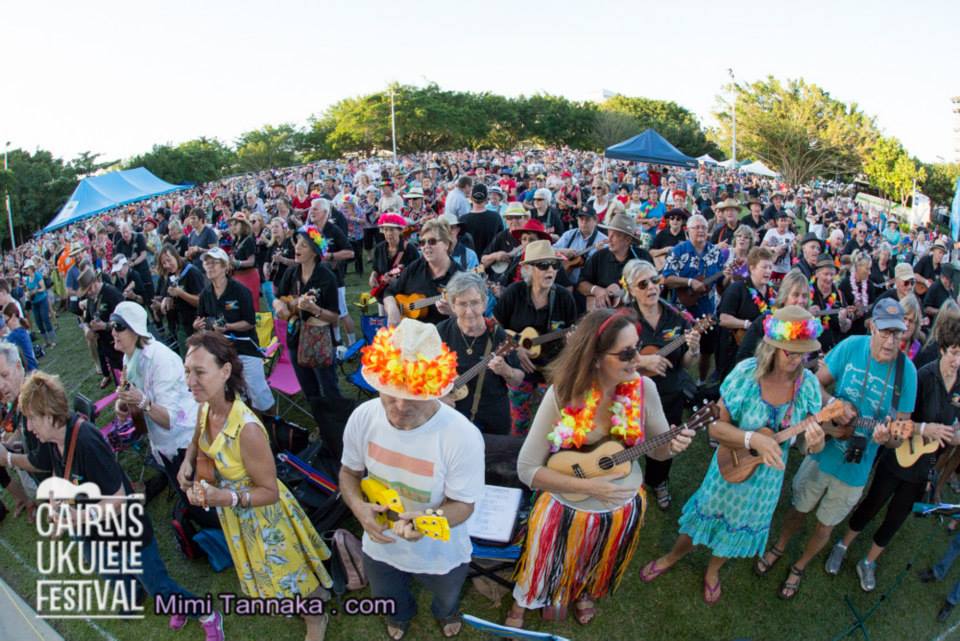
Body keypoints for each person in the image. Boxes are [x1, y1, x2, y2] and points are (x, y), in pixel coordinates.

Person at [505, 308, 694, 631]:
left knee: (592, 558)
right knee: (544, 559)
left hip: (618, 505)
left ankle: (579, 591)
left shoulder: (643, 389)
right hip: (566, 501)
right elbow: (527, 469)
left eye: (638, 347)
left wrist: (672, 445)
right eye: (626, 352)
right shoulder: (562, 393)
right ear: (594, 357)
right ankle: (523, 604)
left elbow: (660, 453)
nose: (637, 359)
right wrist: (591, 488)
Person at [3, 370, 224, 638]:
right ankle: (167, 603)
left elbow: (119, 498)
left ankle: (206, 613)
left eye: (31, 420)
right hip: (103, 531)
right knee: (130, 576)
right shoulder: (52, 440)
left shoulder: (85, 441)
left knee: (159, 587)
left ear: (49, 416)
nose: (29, 427)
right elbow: (57, 473)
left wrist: (76, 518)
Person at [640, 306, 825, 604]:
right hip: (728, 469)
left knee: (735, 532)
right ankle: (673, 556)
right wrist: (753, 439)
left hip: (765, 483)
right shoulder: (747, 374)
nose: (796, 359)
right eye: (790, 351)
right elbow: (716, 430)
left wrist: (815, 442)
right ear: (773, 346)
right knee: (703, 517)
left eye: (802, 353)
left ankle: (713, 571)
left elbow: (806, 447)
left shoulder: (808, 388)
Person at [179, 332, 330, 641]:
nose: (190, 381)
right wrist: (187, 462)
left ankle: (317, 613)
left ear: (224, 372)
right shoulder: (206, 406)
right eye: (187, 371)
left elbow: (270, 491)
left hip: (261, 513)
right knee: (274, 573)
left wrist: (226, 496)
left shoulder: (246, 428)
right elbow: (197, 437)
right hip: (235, 512)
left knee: (289, 570)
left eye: (199, 372)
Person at [762, 300, 917, 600]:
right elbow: (814, 387)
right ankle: (779, 546)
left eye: (897, 334)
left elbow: (900, 436)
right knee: (798, 509)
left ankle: (800, 565)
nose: (891, 341)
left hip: (857, 467)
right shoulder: (851, 347)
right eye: (885, 332)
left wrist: (887, 439)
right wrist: (832, 404)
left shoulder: (906, 373)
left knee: (825, 525)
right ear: (872, 326)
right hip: (823, 448)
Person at [341, 319, 485, 640]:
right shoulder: (363, 417)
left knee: (447, 595)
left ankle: (445, 611)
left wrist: (426, 521)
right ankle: (399, 616)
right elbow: (349, 473)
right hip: (379, 545)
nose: (401, 405)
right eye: (391, 394)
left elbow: (463, 504)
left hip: (442, 551)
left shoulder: (462, 436)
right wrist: (359, 510)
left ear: (435, 390)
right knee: (388, 598)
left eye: (414, 394)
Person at [841, 315, 960, 592]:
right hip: (898, 455)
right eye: (955, 352)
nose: (958, 360)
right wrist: (924, 429)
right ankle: (843, 544)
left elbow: (954, 430)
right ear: (943, 348)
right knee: (873, 502)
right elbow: (898, 420)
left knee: (897, 517)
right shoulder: (923, 376)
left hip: (923, 466)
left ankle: (868, 562)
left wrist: (952, 434)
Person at [622, 259, 702, 509]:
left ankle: (657, 481)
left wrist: (694, 349)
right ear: (631, 290)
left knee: (664, 440)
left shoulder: (676, 317)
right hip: (629, 394)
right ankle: (622, 481)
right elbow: (607, 359)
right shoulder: (623, 320)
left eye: (655, 280)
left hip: (669, 395)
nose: (651, 287)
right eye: (643, 284)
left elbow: (686, 364)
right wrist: (644, 360)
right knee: (623, 442)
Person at [494, 241, 577, 437]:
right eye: (543, 265)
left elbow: (574, 333)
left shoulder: (564, 298)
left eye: (554, 265)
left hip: (551, 372)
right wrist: (516, 348)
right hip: (518, 372)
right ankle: (515, 462)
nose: (550, 270)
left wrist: (572, 341)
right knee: (518, 425)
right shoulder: (514, 293)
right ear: (528, 269)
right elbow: (494, 328)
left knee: (551, 427)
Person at [273, 224, 345, 449]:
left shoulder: (326, 277)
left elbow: (335, 317)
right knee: (309, 389)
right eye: (297, 243)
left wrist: (315, 310)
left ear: (314, 251)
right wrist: (279, 306)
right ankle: (322, 426)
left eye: (303, 245)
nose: (297, 248)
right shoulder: (291, 272)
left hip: (320, 340)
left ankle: (340, 428)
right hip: (296, 339)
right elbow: (277, 297)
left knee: (329, 386)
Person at [437, 271, 523, 434]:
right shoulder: (441, 332)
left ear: (484, 303)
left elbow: (518, 380)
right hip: (450, 418)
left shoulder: (498, 336)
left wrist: (506, 370)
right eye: (462, 304)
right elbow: (422, 371)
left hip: (491, 420)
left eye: (475, 303)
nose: (469, 311)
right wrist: (438, 396)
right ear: (453, 306)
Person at [194, 248, 274, 414]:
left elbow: (250, 323)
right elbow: (202, 319)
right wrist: (199, 325)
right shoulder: (205, 295)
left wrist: (228, 327)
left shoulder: (240, 290)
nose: (209, 266)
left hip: (246, 349)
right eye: (206, 263)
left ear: (225, 267)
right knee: (234, 394)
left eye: (214, 263)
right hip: (221, 352)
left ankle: (274, 427)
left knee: (259, 393)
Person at [662, 213, 730, 380]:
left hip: (707, 312)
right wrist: (690, 282)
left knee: (706, 350)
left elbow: (722, 284)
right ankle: (676, 380)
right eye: (697, 227)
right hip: (681, 310)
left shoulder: (715, 252)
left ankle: (700, 381)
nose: (701, 231)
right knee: (677, 349)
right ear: (688, 231)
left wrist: (729, 276)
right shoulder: (679, 251)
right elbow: (666, 278)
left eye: (704, 228)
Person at [384, 218, 460, 327]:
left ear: (446, 244)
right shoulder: (415, 267)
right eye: (422, 242)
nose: (426, 246)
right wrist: (392, 308)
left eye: (432, 241)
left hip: (442, 339)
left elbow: (472, 316)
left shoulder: (459, 277)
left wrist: (453, 313)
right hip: (410, 335)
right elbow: (390, 291)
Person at [716, 247, 775, 380]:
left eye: (770, 267)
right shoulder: (737, 289)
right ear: (752, 268)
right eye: (764, 267)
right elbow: (723, 319)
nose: (768, 271)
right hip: (736, 348)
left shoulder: (771, 292)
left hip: (762, 348)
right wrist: (749, 324)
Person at [578, 213, 654, 310]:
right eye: (609, 233)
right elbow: (581, 283)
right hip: (604, 315)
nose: (609, 239)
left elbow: (655, 284)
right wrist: (596, 290)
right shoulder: (599, 257)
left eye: (615, 235)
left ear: (627, 239)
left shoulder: (642, 258)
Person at [308, 198, 357, 346]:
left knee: (342, 313)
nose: (311, 211)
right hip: (317, 279)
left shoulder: (333, 230)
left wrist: (331, 256)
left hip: (334, 279)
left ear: (325, 212)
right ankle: (337, 341)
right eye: (311, 208)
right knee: (329, 313)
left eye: (315, 209)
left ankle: (353, 344)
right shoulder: (311, 230)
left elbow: (350, 253)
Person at [78, 266, 124, 389]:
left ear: (95, 282)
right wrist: (87, 329)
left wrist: (105, 326)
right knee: (120, 382)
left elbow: (125, 320)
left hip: (121, 347)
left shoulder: (111, 293)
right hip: (107, 348)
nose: (88, 293)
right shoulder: (91, 298)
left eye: (89, 289)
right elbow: (87, 319)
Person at [156, 245, 204, 355]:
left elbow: (201, 302)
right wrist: (165, 300)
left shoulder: (192, 272)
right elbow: (167, 293)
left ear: (176, 256)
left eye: (169, 260)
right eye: (163, 263)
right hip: (181, 325)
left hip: (196, 325)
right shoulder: (171, 274)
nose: (167, 265)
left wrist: (181, 293)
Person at [809, 254, 853, 354]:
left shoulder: (839, 295)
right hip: (810, 351)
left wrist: (843, 321)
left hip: (834, 350)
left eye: (832, 274)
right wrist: (806, 313)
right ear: (817, 274)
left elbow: (846, 328)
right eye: (826, 274)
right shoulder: (806, 293)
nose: (829, 278)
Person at [228, 212, 261, 313]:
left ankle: (252, 327)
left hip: (248, 276)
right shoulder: (235, 241)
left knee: (249, 304)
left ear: (243, 225)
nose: (233, 226)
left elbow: (251, 261)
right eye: (232, 224)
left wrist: (236, 263)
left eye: (236, 223)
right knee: (235, 305)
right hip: (236, 276)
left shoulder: (249, 239)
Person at [459, 183, 502, 256]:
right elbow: (501, 241)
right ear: (486, 199)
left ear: (471, 198)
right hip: (490, 261)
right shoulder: (496, 217)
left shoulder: (462, 219)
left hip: (470, 264)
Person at [839, 250, 874, 334]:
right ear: (858, 267)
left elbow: (873, 306)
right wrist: (854, 314)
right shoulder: (845, 284)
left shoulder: (870, 285)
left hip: (864, 330)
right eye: (867, 269)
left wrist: (865, 311)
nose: (869, 273)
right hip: (848, 332)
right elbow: (841, 310)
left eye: (870, 269)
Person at [23, 259, 56, 348]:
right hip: (34, 302)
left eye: (27, 268)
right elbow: (27, 289)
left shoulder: (37, 275)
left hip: (42, 300)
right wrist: (28, 294)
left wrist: (36, 291)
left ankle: (53, 340)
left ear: (31, 268)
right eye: (25, 269)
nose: (26, 270)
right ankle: (46, 341)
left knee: (45, 319)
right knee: (38, 322)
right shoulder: (27, 279)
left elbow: (43, 288)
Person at [761, 211, 796, 282]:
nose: (784, 223)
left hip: (785, 270)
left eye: (785, 221)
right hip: (771, 268)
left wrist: (794, 248)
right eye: (782, 221)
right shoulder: (771, 232)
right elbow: (762, 247)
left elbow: (793, 255)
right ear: (777, 222)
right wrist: (773, 249)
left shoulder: (791, 235)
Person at [3, 303, 37, 372]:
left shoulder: (16, 334)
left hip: (29, 371)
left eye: (6, 321)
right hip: (33, 368)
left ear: (13, 316)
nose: (6, 325)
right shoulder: (22, 329)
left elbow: (3, 346)